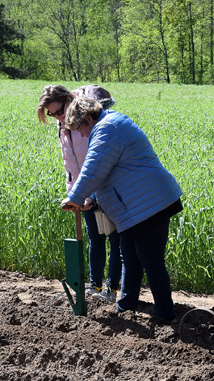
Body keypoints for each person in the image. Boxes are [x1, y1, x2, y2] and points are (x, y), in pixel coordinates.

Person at [60, 97, 182, 323]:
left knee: (150, 261)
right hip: (136, 207)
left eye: (79, 128)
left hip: (148, 205)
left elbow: (94, 170)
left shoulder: (108, 129)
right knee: (130, 257)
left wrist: (74, 198)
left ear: (88, 118)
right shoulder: (108, 126)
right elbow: (109, 172)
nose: (81, 134)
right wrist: (92, 199)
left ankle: (166, 316)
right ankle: (126, 307)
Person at [37, 84, 122, 302]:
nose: (57, 117)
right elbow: (70, 164)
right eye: (52, 114)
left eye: (59, 111)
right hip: (82, 192)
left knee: (114, 239)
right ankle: (94, 286)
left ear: (69, 99)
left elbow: (101, 160)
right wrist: (75, 194)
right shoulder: (62, 126)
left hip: (103, 187)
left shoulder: (86, 121)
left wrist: (91, 194)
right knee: (95, 238)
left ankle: (111, 290)